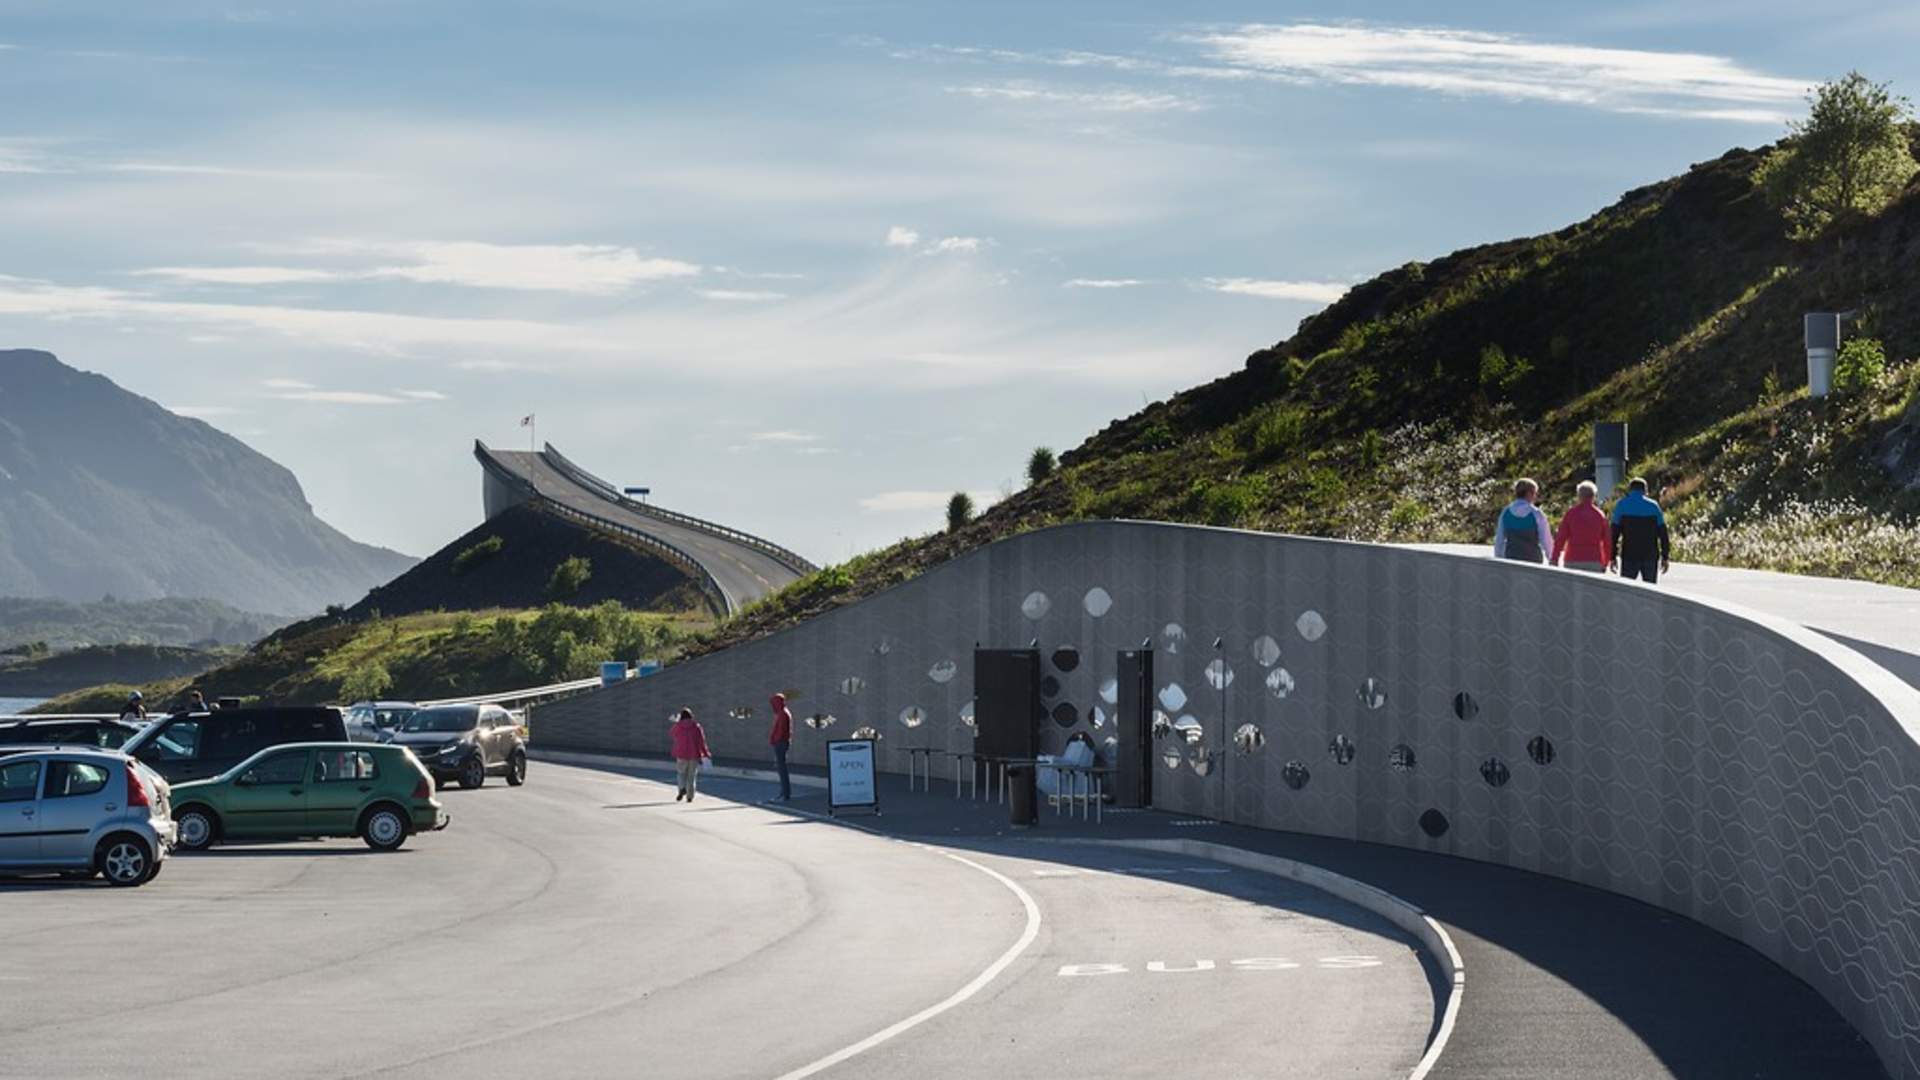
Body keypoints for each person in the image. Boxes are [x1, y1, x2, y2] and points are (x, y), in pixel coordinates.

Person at [1611, 477, 1672, 584]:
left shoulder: (1622, 505)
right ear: (1645, 490)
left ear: (1630, 490)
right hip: (1650, 555)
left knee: (1627, 590)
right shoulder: (1653, 506)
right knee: (1650, 591)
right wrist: (1665, 556)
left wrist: (1612, 556)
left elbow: (1614, 533)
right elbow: (1663, 534)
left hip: (1629, 554)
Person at [1551, 481, 1612, 573]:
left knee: (1572, 587)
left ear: (1579, 496)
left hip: (1573, 558)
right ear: (1593, 496)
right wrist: (1605, 562)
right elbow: (1607, 541)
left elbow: (1561, 538)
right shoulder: (1599, 515)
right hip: (1594, 560)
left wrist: (1555, 558)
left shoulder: (1571, 514)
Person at [1492, 478, 1554, 564]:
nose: (1535, 496)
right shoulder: (1536, 513)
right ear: (1529, 493)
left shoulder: (1506, 512)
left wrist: (1498, 558)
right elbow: (1546, 540)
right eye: (1535, 493)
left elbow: (1499, 539)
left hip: (1510, 559)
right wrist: (1552, 559)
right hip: (1533, 561)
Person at [669, 707, 711, 802]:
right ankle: (690, 796)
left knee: (681, 774)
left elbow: (672, 734)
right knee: (691, 776)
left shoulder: (678, 726)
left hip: (681, 754)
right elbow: (701, 742)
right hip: (694, 754)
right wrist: (706, 753)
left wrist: (677, 722)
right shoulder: (696, 726)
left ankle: (681, 788)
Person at [768, 692, 793, 802]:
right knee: (781, 768)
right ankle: (783, 792)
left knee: (782, 769)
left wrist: (774, 740)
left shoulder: (783, 714)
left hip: (781, 743)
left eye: (774, 703)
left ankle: (785, 793)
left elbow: (781, 731)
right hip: (781, 742)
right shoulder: (782, 713)